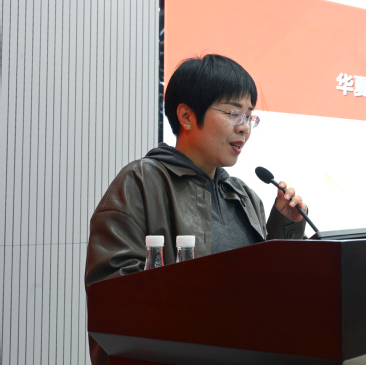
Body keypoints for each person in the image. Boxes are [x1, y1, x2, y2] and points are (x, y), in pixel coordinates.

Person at [84, 54, 308, 363]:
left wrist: (285, 224)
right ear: (187, 116)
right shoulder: (141, 181)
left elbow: (271, 289)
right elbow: (112, 298)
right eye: (234, 113)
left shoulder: (245, 195)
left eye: (249, 116)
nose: (245, 128)